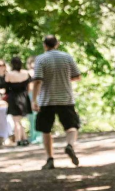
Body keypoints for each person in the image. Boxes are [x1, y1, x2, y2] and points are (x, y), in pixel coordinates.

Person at [32, 36, 83, 169]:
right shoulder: (67, 57)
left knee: (46, 129)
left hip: (46, 99)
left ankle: (50, 159)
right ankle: (70, 145)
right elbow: (77, 76)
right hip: (65, 97)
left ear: (44, 45)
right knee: (72, 126)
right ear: (57, 44)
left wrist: (34, 100)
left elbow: (37, 80)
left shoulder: (40, 59)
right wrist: (64, 79)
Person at [4, 56, 32, 147]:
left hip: (14, 98)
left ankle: (18, 139)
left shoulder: (9, 75)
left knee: (16, 120)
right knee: (19, 120)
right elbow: (29, 87)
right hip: (24, 98)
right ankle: (24, 139)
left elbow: (6, 89)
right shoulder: (26, 73)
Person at [25, 56, 42, 145]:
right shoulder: (28, 73)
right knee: (32, 117)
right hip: (31, 95)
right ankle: (34, 136)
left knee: (37, 116)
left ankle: (38, 137)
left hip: (38, 95)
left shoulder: (39, 72)